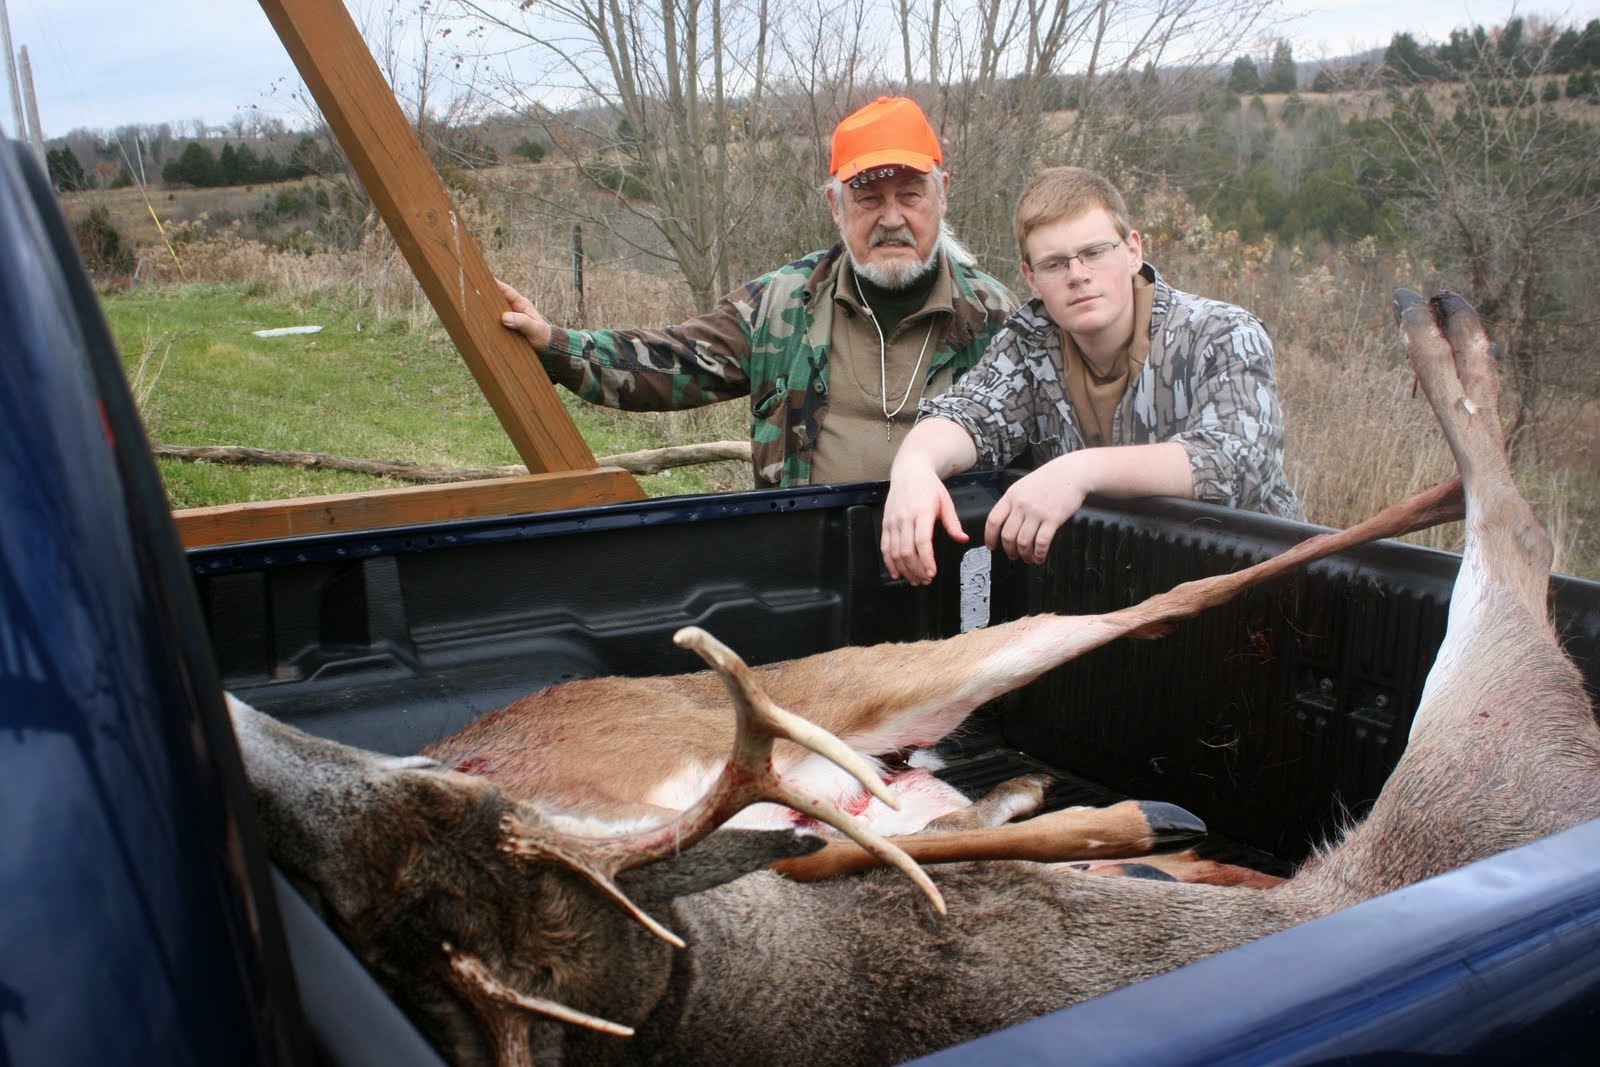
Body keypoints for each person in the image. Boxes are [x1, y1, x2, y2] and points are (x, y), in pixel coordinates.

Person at [496, 96, 1017, 489]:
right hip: (807, 564)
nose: (892, 218)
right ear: (836, 209)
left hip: (953, 562)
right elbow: (673, 361)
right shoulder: (781, 303)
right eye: (868, 200)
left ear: (942, 196)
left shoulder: (997, 318)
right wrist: (557, 344)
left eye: (910, 195)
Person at [881, 165, 1302, 585]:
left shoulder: (1221, 332)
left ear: (1132, 251)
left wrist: (1079, 472)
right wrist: (914, 467)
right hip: (1116, 587)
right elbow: (967, 414)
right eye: (1054, 264)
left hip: (1254, 579)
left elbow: (1238, 461)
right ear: (1031, 278)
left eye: (1095, 252)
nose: (1078, 275)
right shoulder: (1030, 343)